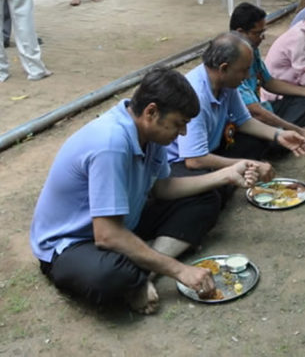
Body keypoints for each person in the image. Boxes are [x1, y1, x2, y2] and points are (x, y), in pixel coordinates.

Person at [29, 68, 272, 314]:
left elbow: (163, 188)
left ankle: (143, 274)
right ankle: (135, 272)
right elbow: (106, 235)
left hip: (122, 219)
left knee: (206, 198)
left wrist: (225, 176)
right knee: (110, 276)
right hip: (74, 242)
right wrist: (179, 270)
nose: (183, 133)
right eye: (179, 124)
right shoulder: (110, 144)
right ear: (151, 112)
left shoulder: (149, 134)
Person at [166, 32, 305, 179]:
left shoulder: (227, 84)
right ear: (224, 68)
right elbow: (194, 160)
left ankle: (230, 175)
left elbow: (244, 121)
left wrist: (279, 135)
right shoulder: (197, 95)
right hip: (182, 161)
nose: (248, 76)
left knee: (256, 141)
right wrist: (249, 164)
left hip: (210, 149)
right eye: (244, 70)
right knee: (209, 195)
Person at [230, 3, 305, 144]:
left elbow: (269, 82)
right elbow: (255, 112)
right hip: (247, 119)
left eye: (263, 32)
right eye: (258, 33)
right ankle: (287, 135)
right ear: (241, 32)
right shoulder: (232, 60)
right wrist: (300, 130)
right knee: (257, 143)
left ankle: (286, 133)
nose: (262, 37)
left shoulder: (252, 49)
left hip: (260, 109)